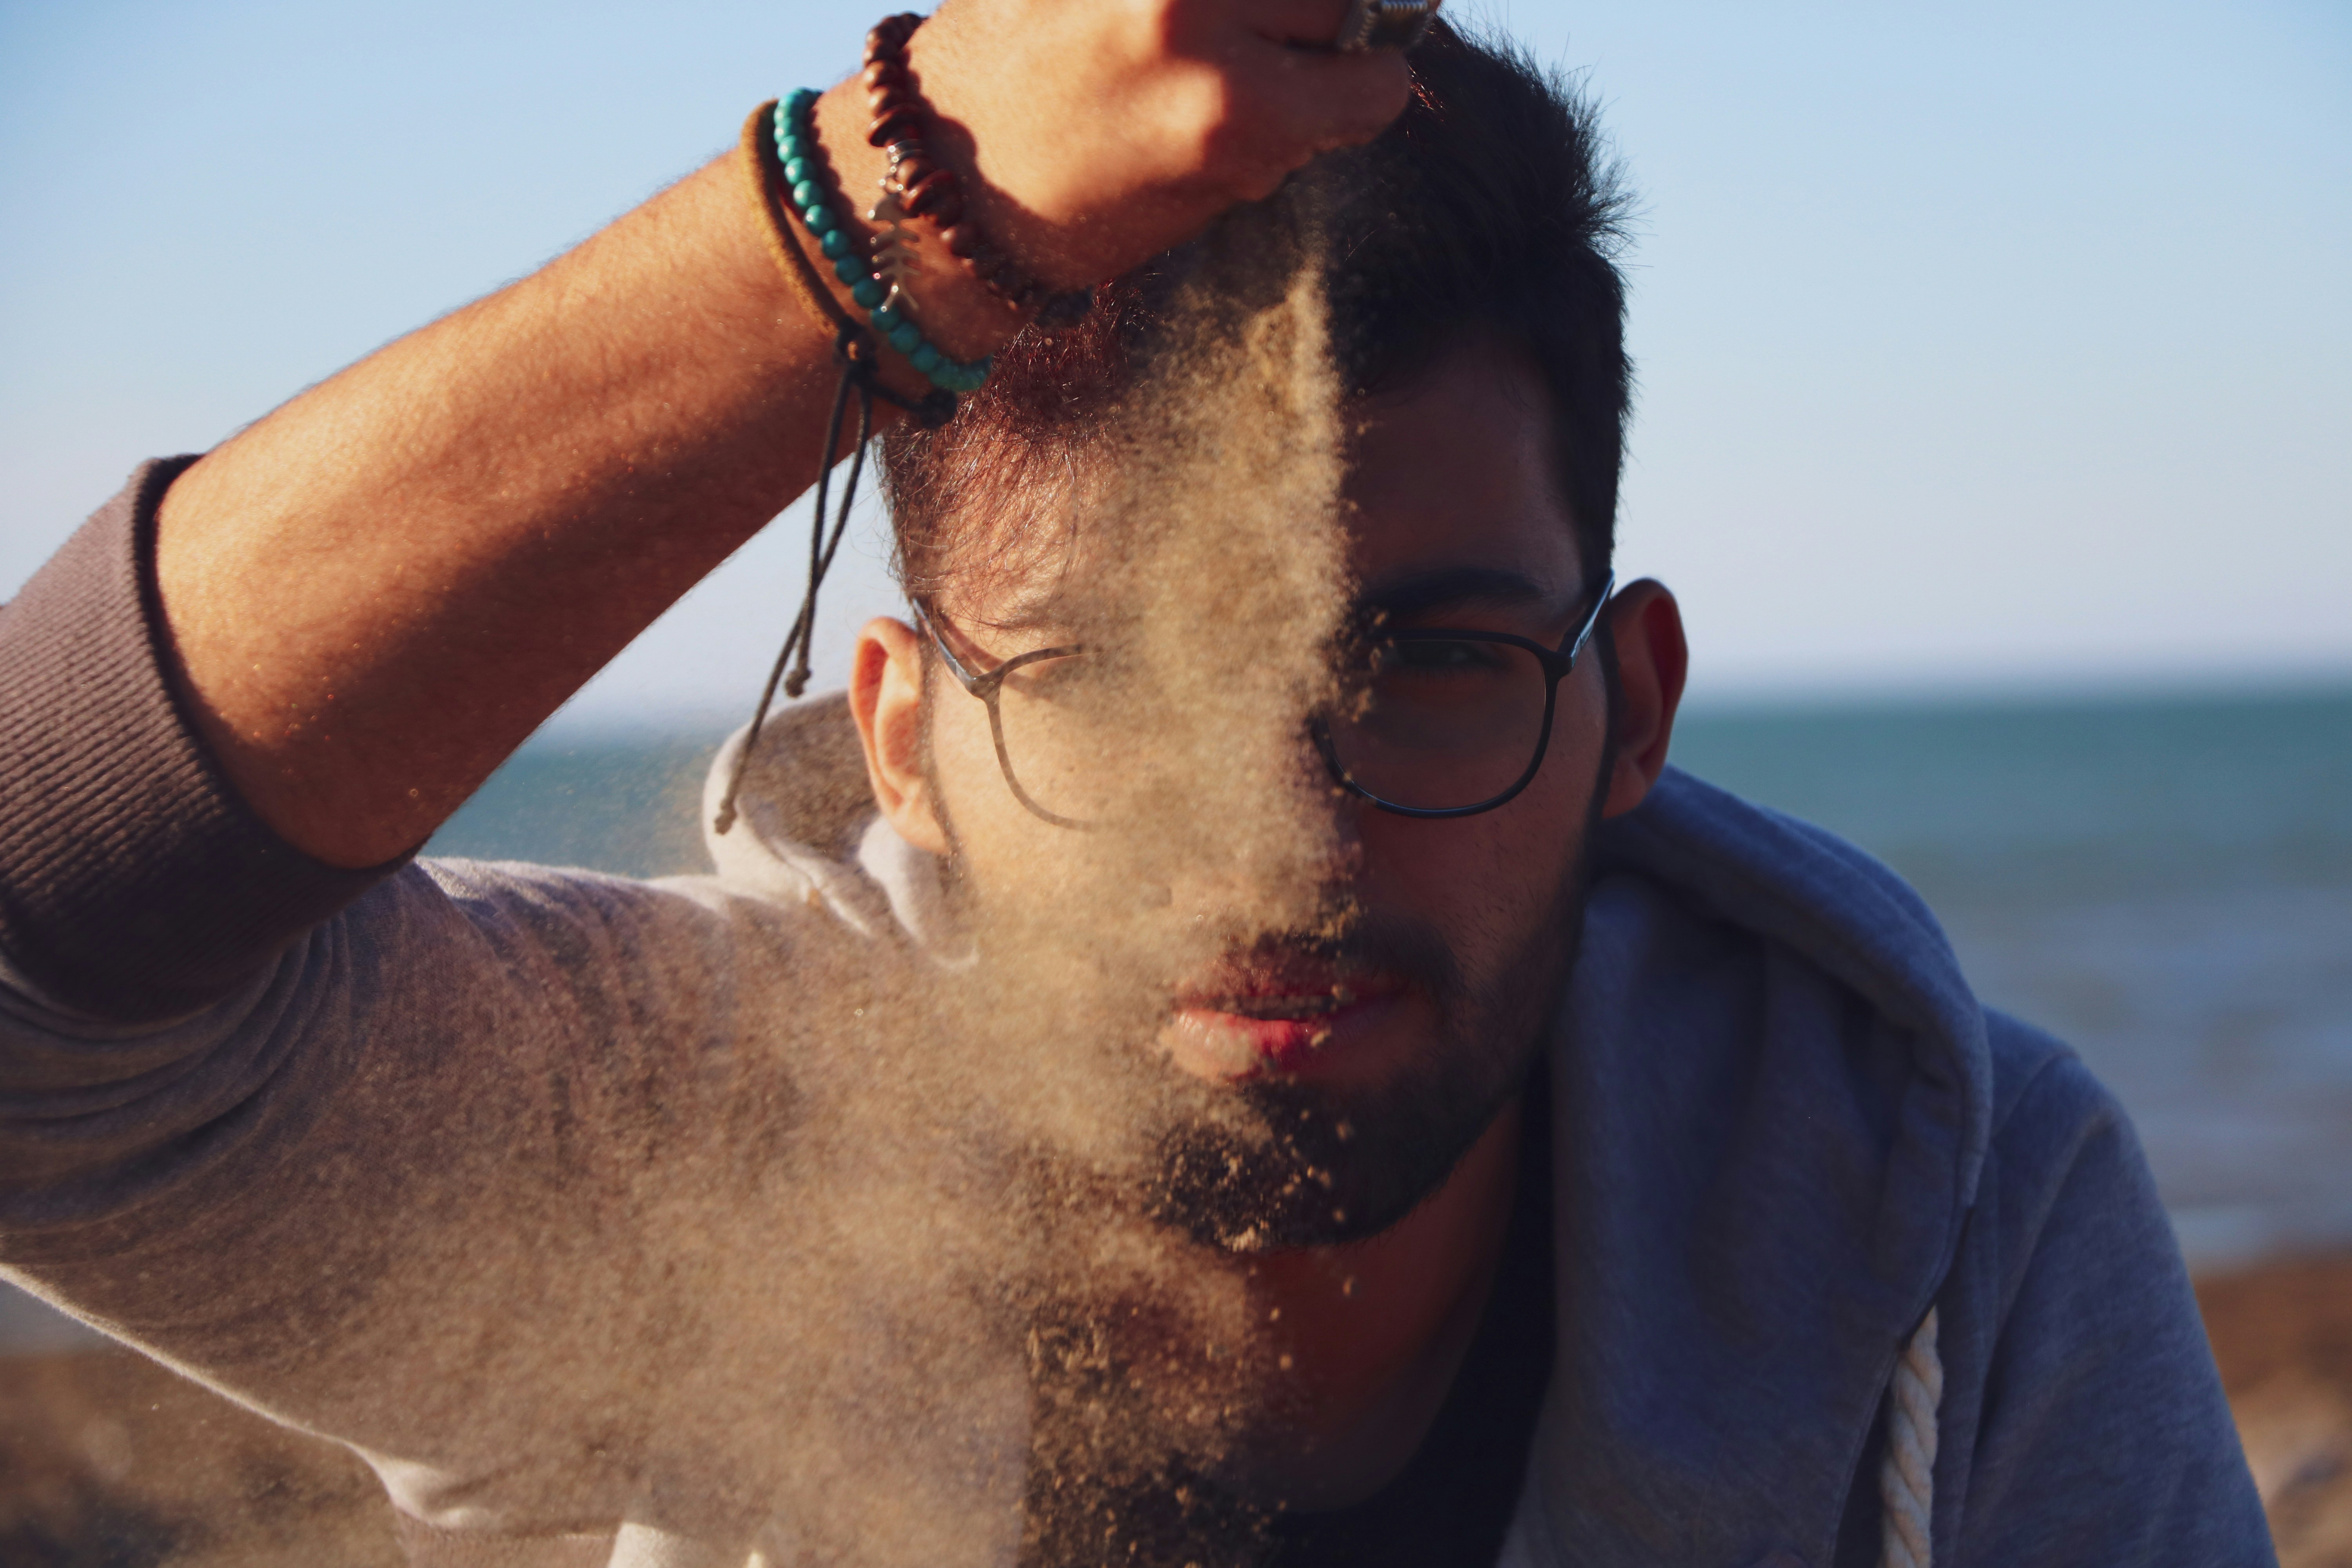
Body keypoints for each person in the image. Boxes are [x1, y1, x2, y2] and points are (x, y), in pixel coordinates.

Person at [0, 4, 2274, 1565]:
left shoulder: (1948, 1208)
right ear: (903, 735)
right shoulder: (705, 1153)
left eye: (1438, 664)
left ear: (1635, 704)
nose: (1276, 837)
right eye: (1106, 679)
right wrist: (878, 215)